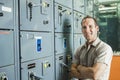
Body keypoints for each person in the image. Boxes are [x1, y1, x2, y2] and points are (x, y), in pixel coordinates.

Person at [70, 15, 113, 80]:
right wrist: (87, 73)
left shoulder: (105, 49)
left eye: (90, 26)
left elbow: (94, 74)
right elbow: (72, 71)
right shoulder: (79, 49)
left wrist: (79, 67)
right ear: (82, 30)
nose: (87, 30)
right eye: (84, 27)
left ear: (97, 28)